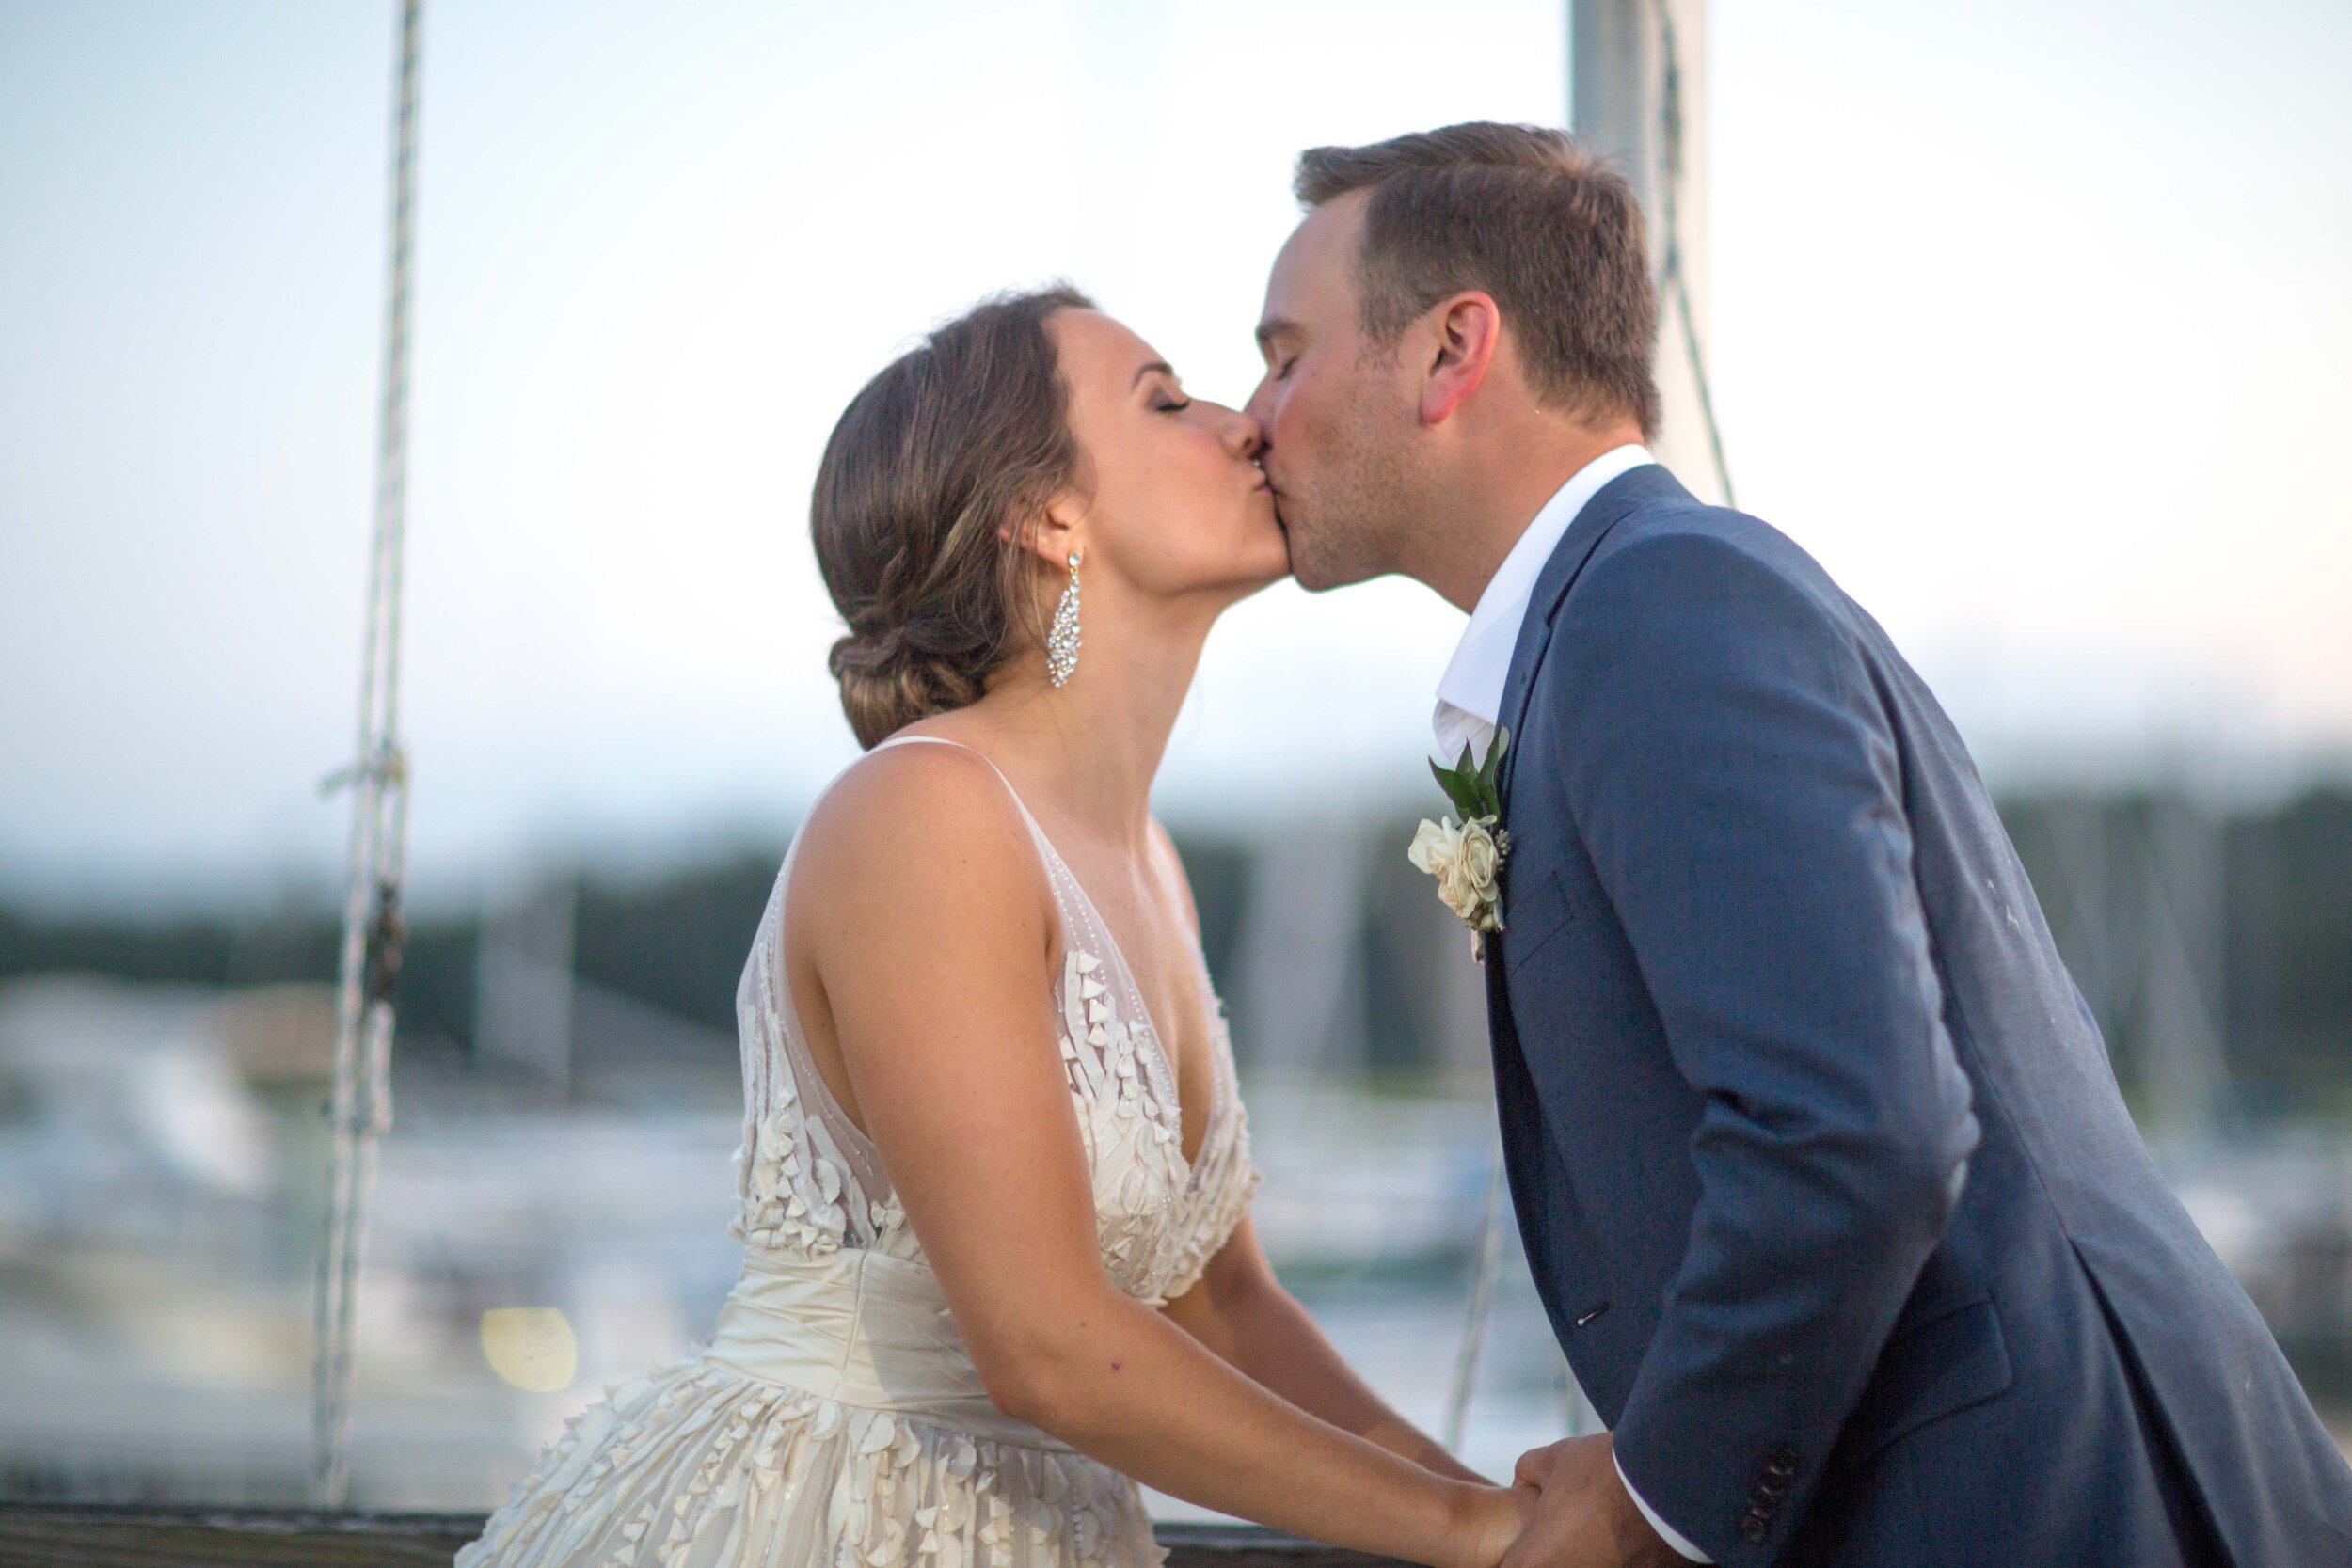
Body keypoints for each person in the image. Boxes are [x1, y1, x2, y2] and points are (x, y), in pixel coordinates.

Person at [1243, 121, 2352, 1567]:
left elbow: (1856, 1129)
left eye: (1283, 353)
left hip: (2046, 1510)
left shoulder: (1662, 606)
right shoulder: (1631, 611)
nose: (1251, 414)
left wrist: (1655, 1502)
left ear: (1454, 349)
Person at [453, 286, 1528, 1568]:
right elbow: (1048, 1347)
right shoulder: (923, 814)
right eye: (1168, 402)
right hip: (826, 1522)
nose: (1245, 426)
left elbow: (1222, 1305)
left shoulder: (1154, 864)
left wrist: (1503, 1514)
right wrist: (1476, 1537)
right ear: (1046, 515)